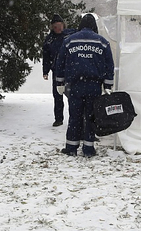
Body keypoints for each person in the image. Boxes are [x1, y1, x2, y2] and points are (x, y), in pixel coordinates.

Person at [54, 14, 114, 157]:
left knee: (75, 116)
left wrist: (59, 82)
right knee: (90, 117)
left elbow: (60, 62)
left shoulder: (69, 41)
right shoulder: (103, 42)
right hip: (94, 85)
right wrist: (108, 84)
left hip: (75, 85)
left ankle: (71, 147)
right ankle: (88, 148)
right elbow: (109, 65)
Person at [42, 14, 75, 127]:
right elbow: (46, 56)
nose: (58, 28)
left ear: (63, 25)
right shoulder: (49, 40)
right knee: (57, 95)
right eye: (55, 26)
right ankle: (58, 119)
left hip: (71, 70)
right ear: (52, 27)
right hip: (56, 70)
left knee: (72, 95)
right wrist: (45, 71)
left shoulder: (71, 34)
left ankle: (74, 118)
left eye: (60, 25)